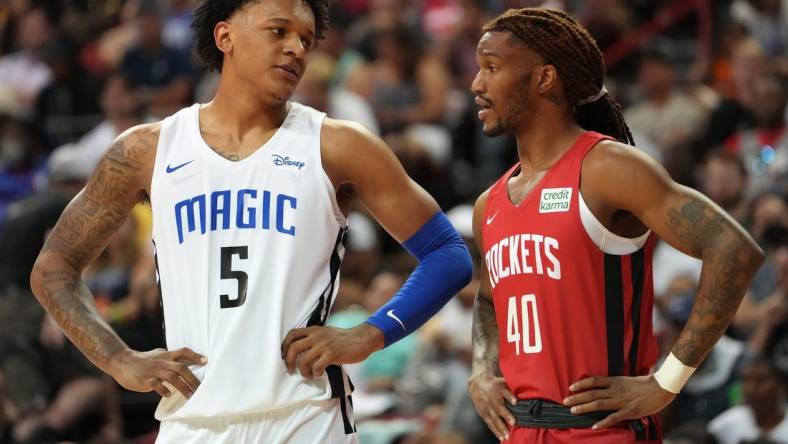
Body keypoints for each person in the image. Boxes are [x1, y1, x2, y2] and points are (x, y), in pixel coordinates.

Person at [28, 0, 473, 443]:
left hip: (305, 415)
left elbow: (449, 254)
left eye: (306, 39)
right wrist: (118, 360)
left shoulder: (337, 145)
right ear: (225, 38)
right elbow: (54, 269)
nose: (296, 49)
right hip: (191, 420)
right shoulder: (147, 150)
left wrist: (369, 334)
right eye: (279, 31)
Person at [466, 8, 763, 444]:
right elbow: (490, 299)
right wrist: (481, 369)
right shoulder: (487, 203)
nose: (476, 84)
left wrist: (667, 380)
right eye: (478, 69)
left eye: (492, 68)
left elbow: (733, 248)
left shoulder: (607, 167)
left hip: (602, 431)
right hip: (522, 430)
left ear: (545, 79)